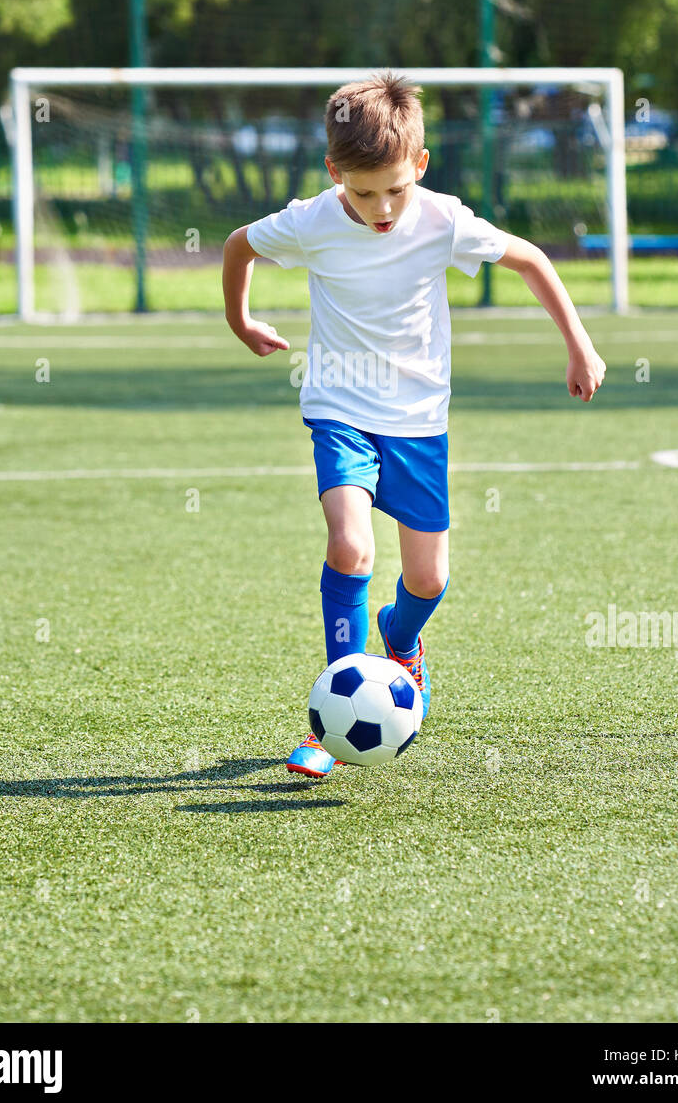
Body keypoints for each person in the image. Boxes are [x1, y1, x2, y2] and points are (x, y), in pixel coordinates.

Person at [222, 71, 606, 778]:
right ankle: (340, 701)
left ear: (420, 167)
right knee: (350, 546)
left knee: (429, 579)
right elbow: (238, 245)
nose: (381, 208)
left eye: (395, 189)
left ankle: (399, 641)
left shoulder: (442, 221)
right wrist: (239, 318)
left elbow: (531, 259)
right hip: (340, 410)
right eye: (363, 193)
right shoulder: (312, 219)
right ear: (335, 173)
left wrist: (579, 345)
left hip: (419, 422)